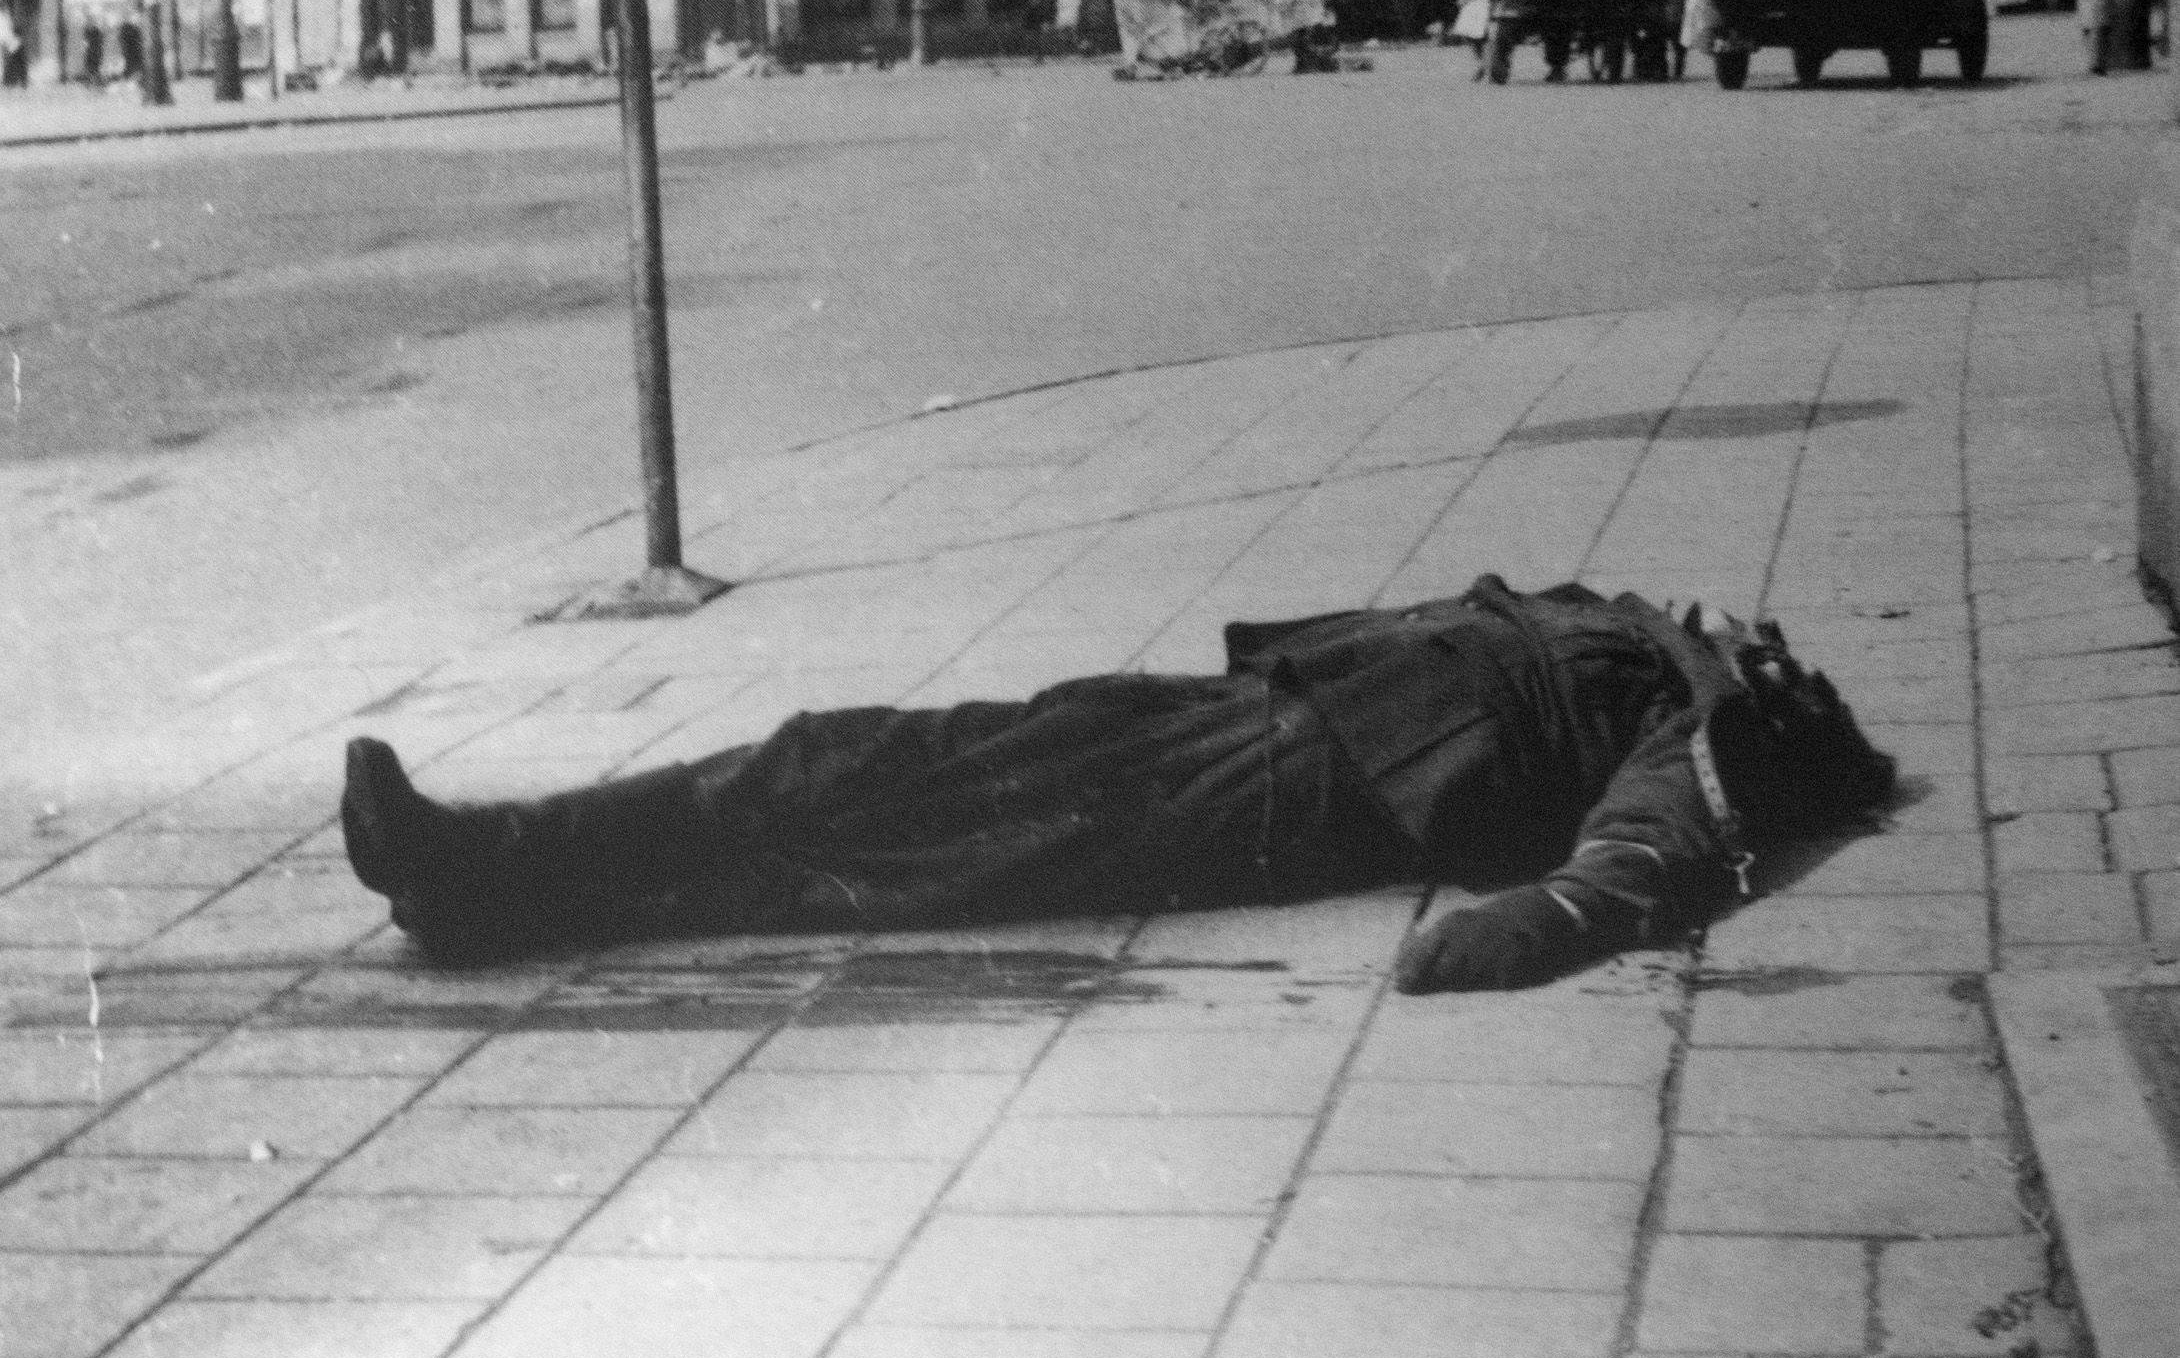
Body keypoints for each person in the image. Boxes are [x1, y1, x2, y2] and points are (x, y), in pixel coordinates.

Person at [341, 577, 1894, 994]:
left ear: (1785, 709)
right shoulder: (1636, 630)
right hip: (1242, 723)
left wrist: (1506, 934)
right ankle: (485, 874)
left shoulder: (1699, 712)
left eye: (1784, 663)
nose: (1764, 634)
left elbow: (1639, 853)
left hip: (1274, 788)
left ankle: (487, 869)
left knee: (862, 805)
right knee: (862, 776)